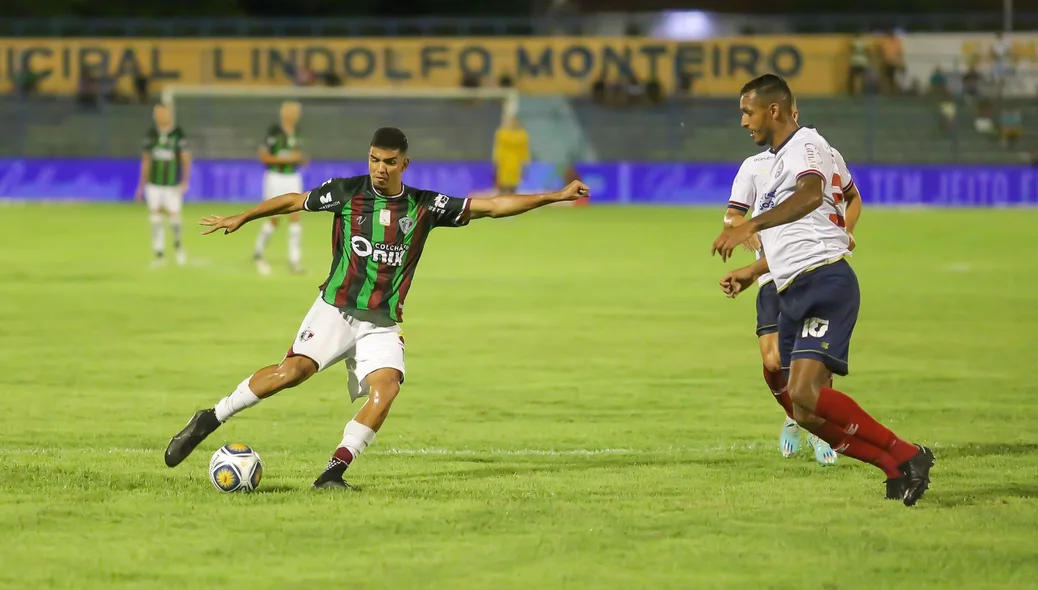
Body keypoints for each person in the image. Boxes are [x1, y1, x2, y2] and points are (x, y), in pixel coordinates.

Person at [163, 127, 590, 488]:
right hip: (335, 310)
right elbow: (294, 200)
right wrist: (243, 216)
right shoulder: (347, 193)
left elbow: (493, 207)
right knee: (289, 374)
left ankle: (333, 473)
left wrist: (556, 195)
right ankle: (210, 418)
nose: (379, 169)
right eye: (373, 160)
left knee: (387, 389)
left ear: (404, 164)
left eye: (388, 162)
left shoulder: (424, 205)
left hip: (382, 322)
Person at [712, 74, 934, 506]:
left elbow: (813, 195)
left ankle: (908, 455)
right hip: (793, 285)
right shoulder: (773, 164)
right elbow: (794, 237)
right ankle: (897, 467)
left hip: (825, 283)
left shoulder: (807, 144)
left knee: (807, 395)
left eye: (747, 111)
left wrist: (751, 226)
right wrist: (752, 270)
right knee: (804, 409)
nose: (743, 122)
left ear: (773, 110)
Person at [724, 104, 862, 465]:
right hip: (773, 274)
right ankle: (793, 415)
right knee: (773, 362)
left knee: (814, 363)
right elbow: (734, 213)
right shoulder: (755, 166)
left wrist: (843, 233)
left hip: (814, 267)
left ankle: (818, 429)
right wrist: (744, 232)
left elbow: (850, 197)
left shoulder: (823, 154)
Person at [254, 101, 306, 275]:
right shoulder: (273, 132)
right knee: (274, 218)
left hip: (293, 177)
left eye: (296, 111)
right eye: (292, 111)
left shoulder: (298, 134)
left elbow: (301, 157)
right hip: (275, 178)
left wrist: (299, 159)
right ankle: (259, 250)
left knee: (296, 217)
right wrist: (287, 159)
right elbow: (263, 156)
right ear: (284, 113)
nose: (295, 114)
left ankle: (294, 260)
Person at [135, 103, 191, 267]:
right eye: (157, 113)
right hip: (154, 184)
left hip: (172, 184)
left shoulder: (178, 134)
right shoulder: (151, 135)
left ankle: (178, 245)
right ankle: (159, 254)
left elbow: (186, 158)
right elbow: (146, 160)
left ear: (169, 115)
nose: (159, 116)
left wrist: (185, 180)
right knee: (156, 218)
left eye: (162, 113)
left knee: (174, 218)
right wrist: (141, 185)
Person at [492, 115, 531, 195]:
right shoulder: (502, 133)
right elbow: (498, 147)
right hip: (504, 161)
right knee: (503, 183)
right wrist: (497, 160)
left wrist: (524, 163)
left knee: (513, 184)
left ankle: (510, 199)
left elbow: (524, 149)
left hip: (515, 162)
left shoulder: (522, 134)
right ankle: (503, 197)